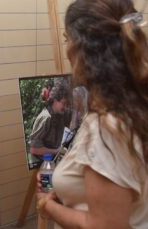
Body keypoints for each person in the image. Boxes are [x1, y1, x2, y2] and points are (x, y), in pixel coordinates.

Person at [36, 1, 148, 228]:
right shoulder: (132, 104)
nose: (66, 49)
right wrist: (66, 179)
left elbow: (103, 225)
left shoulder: (109, 126)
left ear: (81, 49)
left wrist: (45, 206)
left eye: (67, 39)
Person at [29, 81, 69, 156]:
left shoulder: (60, 115)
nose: (65, 107)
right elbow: (34, 149)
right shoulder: (46, 118)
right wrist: (56, 151)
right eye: (63, 103)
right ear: (54, 100)